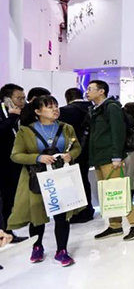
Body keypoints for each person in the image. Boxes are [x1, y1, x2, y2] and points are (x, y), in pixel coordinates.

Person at [7, 95, 82, 266]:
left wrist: (70, 155)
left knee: (62, 214)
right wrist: (38, 158)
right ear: (37, 111)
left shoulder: (66, 128)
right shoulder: (25, 131)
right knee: (37, 215)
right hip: (36, 178)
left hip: (61, 176)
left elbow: (77, 146)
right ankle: (37, 246)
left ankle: (62, 250)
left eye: (56, 105)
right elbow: (16, 155)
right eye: (49, 107)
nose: (55, 109)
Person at [86, 80, 134, 241]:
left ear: (101, 91)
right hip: (99, 157)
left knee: (117, 191)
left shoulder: (112, 107)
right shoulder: (96, 109)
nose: (87, 92)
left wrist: (116, 156)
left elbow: (118, 132)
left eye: (90, 89)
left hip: (110, 157)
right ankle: (115, 225)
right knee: (108, 193)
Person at [59, 88, 95, 224]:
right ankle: (88, 210)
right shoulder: (93, 108)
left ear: (67, 98)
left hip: (73, 151)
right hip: (92, 150)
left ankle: (79, 212)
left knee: (75, 181)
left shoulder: (65, 111)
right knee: (84, 179)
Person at [1, 83, 28, 243]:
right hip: (2, 162)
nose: (22, 102)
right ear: (7, 99)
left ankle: (7, 231)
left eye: (24, 98)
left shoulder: (23, 114)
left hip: (15, 162)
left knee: (10, 198)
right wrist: (11, 117)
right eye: (19, 98)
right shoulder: (5, 114)